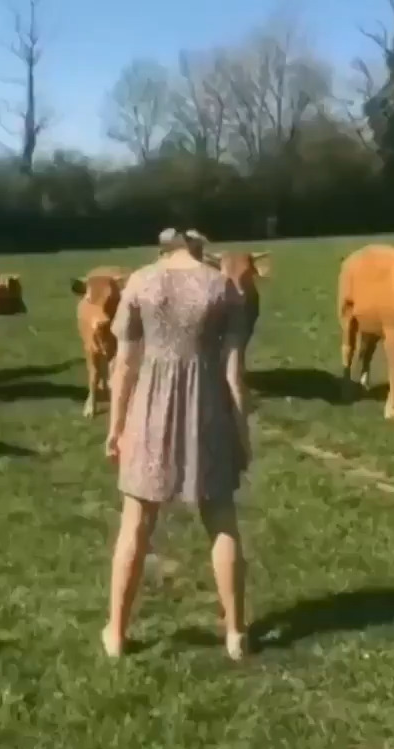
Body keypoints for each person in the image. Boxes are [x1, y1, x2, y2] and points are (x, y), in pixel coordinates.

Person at [102, 227, 251, 661]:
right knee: (221, 520)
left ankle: (116, 632)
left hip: (149, 409)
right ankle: (236, 633)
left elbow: (124, 365)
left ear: (164, 248)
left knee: (135, 523)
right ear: (199, 247)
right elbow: (234, 373)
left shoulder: (140, 281)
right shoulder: (222, 286)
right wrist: (241, 432)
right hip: (208, 407)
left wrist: (115, 426)